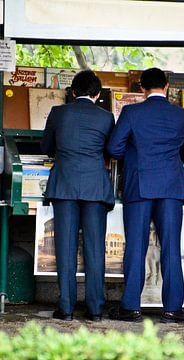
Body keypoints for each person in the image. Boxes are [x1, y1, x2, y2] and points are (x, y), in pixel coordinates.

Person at [107, 67, 184, 323]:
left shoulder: (132, 112)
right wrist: (173, 160)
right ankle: (172, 309)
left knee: (136, 246)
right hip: (171, 187)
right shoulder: (181, 114)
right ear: (167, 86)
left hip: (140, 186)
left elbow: (114, 147)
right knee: (171, 247)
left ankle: (130, 307)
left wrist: (137, 160)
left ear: (141, 88)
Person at [41, 70, 115, 322]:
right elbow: (111, 150)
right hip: (95, 187)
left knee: (66, 247)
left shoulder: (58, 113)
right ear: (97, 94)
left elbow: (46, 147)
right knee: (95, 249)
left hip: (64, 186)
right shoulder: (106, 117)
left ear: (73, 92)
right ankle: (95, 310)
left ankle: (66, 308)